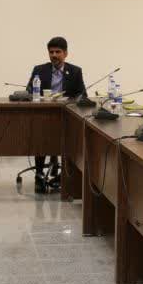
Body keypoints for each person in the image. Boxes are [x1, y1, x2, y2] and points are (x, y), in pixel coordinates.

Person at [27, 37, 86, 191]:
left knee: (71, 138)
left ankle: (63, 176)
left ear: (65, 53)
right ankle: (39, 174)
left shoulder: (75, 71)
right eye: (51, 52)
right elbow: (29, 91)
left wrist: (73, 100)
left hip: (67, 116)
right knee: (41, 136)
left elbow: (82, 94)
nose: (54, 55)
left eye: (58, 52)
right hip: (43, 115)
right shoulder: (39, 70)